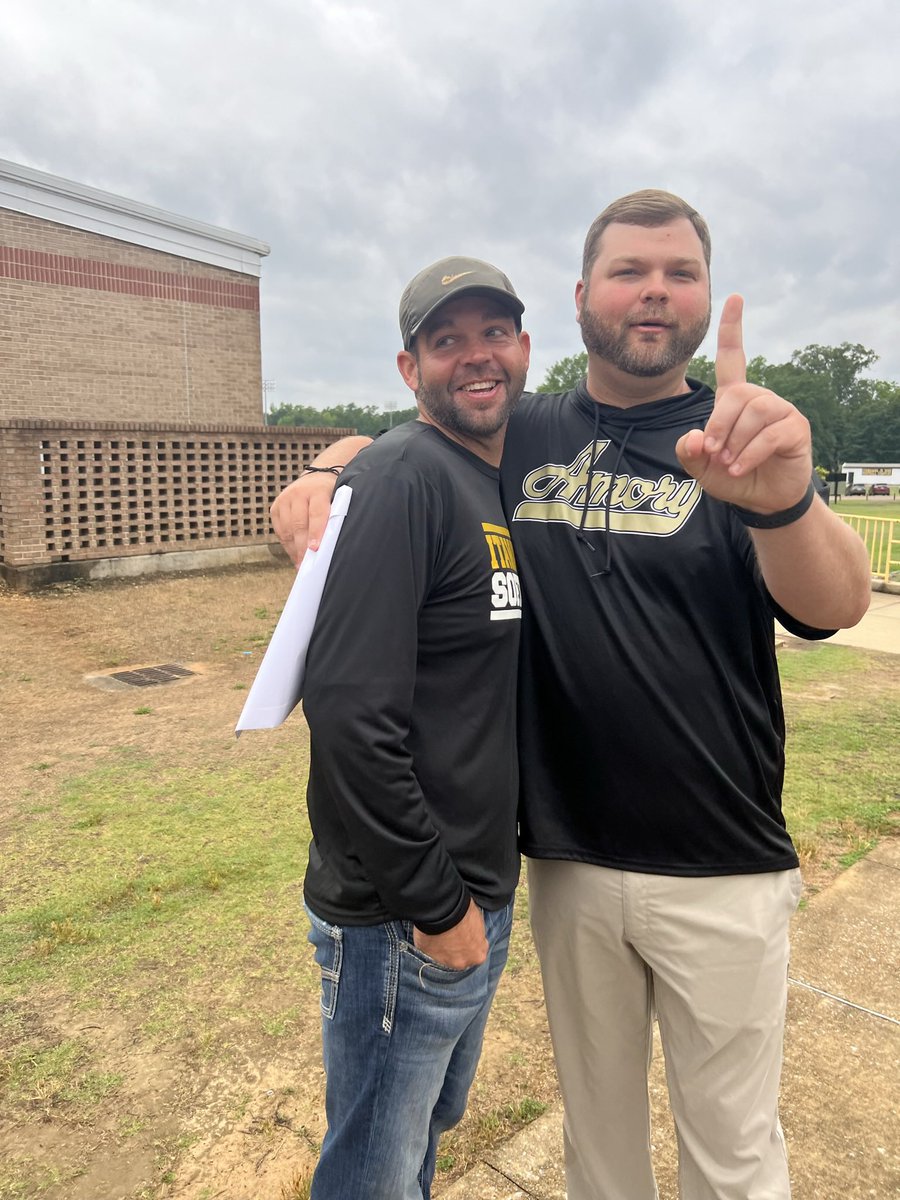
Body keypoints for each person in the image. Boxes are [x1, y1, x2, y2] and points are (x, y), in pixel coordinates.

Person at [273, 192, 871, 1200]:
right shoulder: (527, 431)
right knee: (599, 1154)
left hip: (718, 865)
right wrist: (334, 462)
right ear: (583, 296)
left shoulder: (737, 438)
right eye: (630, 270)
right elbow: (425, 424)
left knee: (733, 1157)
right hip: (568, 865)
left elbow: (841, 602)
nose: (654, 290)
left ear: (705, 298)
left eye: (680, 272)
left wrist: (788, 500)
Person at [299, 256, 530, 1200]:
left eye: (492, 334)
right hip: (405, 918)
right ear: (410, 368)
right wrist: (437, 910)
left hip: (473, 895)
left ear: (522, 347)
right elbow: (352, 714)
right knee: (372, 1175)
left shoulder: (488, 481)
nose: (475, 357)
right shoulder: (402, 479)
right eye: (447, 341)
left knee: (418, 1146)